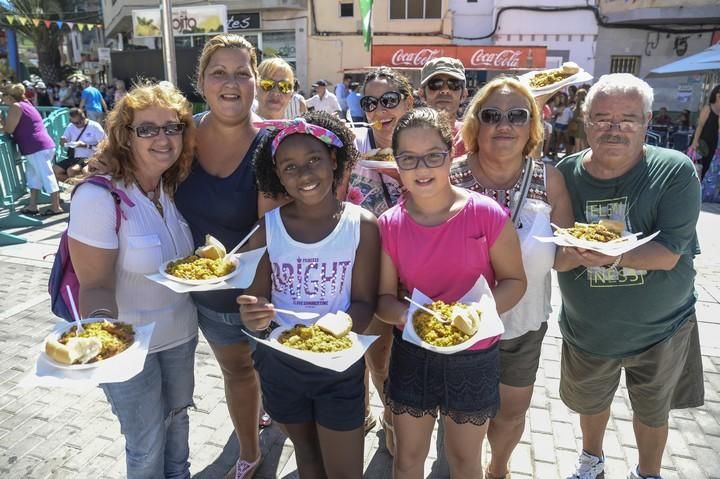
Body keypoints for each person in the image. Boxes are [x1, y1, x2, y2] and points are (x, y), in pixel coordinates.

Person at [554, 73, 704, 479]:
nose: (614, 128)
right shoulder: (563, 175)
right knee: (591, 402)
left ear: (647, 121)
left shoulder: (674, 170)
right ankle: (591, 460)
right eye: (602, 118)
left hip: (661, 330)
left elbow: (670, 254)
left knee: (652, 410)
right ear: (585, 122)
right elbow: (557, 255)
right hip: (589, 328)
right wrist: (571, 255)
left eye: (627, 119)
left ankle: (648, 472)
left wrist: (607, 258)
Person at [376, 107, 527, 479]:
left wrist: (479, 315)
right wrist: (412, 318)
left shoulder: (487, 215)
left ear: (451, 155)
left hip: (474, 358)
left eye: (433, 155)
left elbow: (515, 281)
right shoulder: (389, 225)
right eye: (408, 158)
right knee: (407, 459)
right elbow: (383, 300)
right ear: (396, 164)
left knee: (464, 462)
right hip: (413, 353)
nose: (421, 167)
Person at [67, 81, 198, 478]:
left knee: (177, 424)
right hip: (130, 348)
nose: (163, 138)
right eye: (147, 129)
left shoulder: (172, 186)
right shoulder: (98, 197)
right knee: (146, 445)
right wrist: (105, 342)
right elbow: (95, 286)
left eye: (172, 126)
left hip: (180, 335)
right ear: (126, 136)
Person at [239, 111, 379, 479]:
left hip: (340, 367)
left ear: (334, 160)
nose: (304, 174)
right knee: (307, 458)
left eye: (314, 160)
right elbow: (255, 301)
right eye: (289, 167)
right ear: (277, 175)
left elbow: (365, 302)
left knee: (345, 471)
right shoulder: (267, 229)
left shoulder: (361, 225)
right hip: (281, 367)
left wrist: (333, 336)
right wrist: (253, 315)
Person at [449, 77, 573, 479]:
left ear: (532, 127)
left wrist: (590, 254)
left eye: (517, 115)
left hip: (522, 324)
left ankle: (498, 468)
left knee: (511, 412)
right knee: (465, 415)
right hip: (458, 324)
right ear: (475, 126)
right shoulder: (450, 177)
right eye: (492, 115)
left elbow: (565, 256)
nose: (505, 124)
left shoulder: (549, 178)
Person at [174, 33, 281, 479]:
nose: (231, 82)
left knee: (270, 369)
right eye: (219, 72)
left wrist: (230, 276)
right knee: (236, 369)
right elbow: (136, 167)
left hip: (262, 289)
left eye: (242, 72)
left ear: (256, 82)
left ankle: (272, 413)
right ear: (201, 81)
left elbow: (269, 229)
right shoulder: (180, 137)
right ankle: (250, 451)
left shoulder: (272, 143)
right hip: (203, 293)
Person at [339, 66, 416, 455]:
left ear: (408, 101)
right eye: (370, 102)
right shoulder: (354, 149)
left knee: (416, 356)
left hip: (418, 273)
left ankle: (401, 414)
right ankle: (388, 416)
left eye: (389, 100)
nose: (379, 109)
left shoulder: (424, 145)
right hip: (367, 273)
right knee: (379, 354)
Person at [0, 83, 63, 216]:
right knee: (33, 176)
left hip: (35, 147)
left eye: (3, 95)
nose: (2, 99)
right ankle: (32, 205)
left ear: (10, 97)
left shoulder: (16, 107)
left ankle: (56, 206)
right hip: (40, 145)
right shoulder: (26, 103)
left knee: (46, 175)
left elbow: (9, 129)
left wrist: (2, 123)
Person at [418, 57, 468, 157]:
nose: (445, 90)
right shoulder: (408, 136)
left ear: (464, 95)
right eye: (436, 84)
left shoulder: (473, 138)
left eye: (454, 84)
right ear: (422, 94)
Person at [54, 108, 106, 182]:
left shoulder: (95, 126)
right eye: (72, 122)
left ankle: (81, 185)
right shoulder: (71, 126)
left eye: (77, 123)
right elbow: (63, 144)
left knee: (72, 171)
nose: (75, 125)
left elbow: (104, 147)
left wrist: (86, 146)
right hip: (74, 157)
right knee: (55, 170)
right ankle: (80, 184)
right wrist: (62, 142)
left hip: (90, 157)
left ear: (84, 118)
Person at [691, 84, 720, 179]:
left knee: (707, 168)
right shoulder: (708, 108)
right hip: (702, 142)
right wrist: (695, 142)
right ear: (715, 95)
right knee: (696, 167)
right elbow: (700, 126)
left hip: (713, 144)